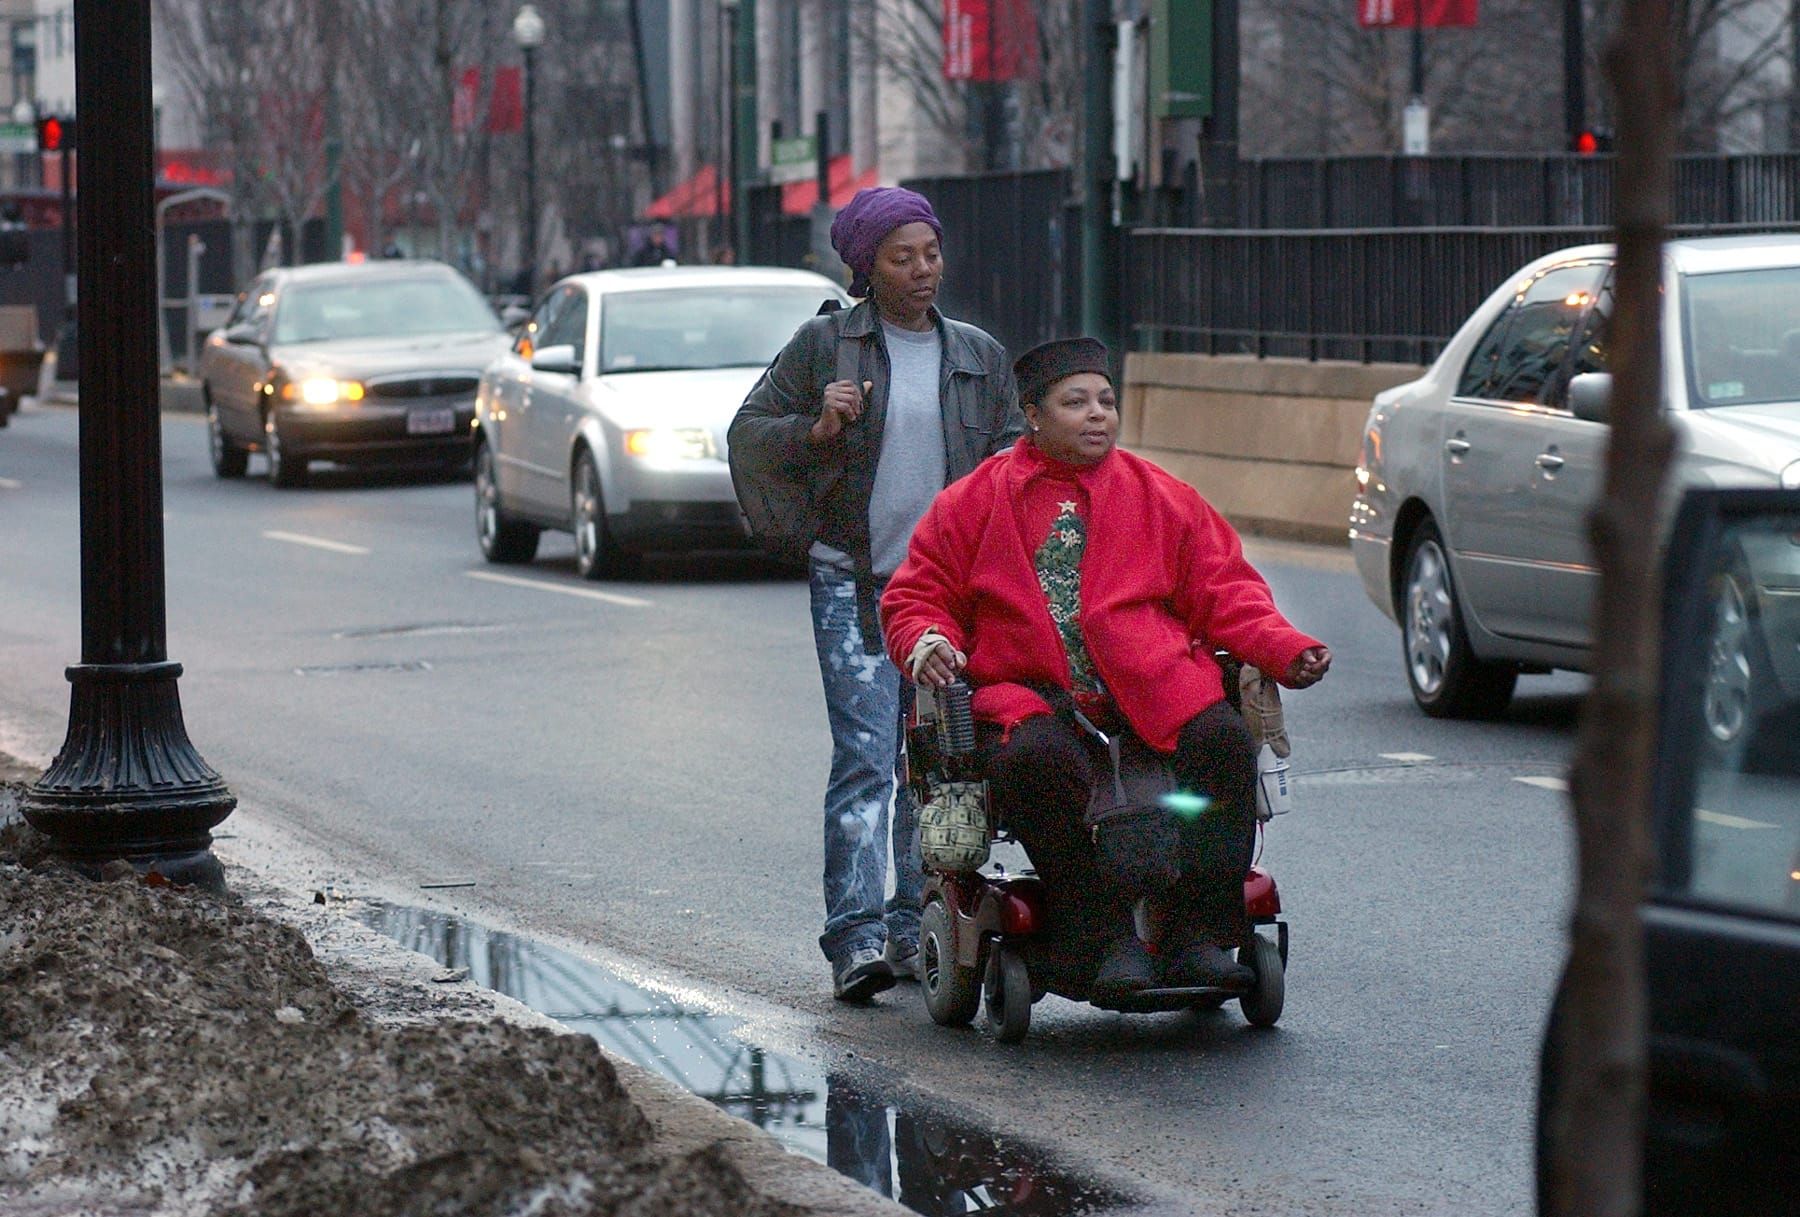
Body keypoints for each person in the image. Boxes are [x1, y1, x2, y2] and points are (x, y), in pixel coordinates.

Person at [880, 337, 1331, 1001]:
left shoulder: (1164, 497)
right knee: (1034, 765)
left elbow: (1226, 588)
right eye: (1076, 402)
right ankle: (1098, 934)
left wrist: (1285, 646)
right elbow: (916, 597)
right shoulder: (973, 503)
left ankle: (1198, 933)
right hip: (1032, 698)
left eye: (1107, 401)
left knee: (1223, 744)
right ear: (1032, 414)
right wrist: (927, 640)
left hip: (1153, 686)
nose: (1098, 415)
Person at [728, 187, 1022, 1002]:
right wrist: (815, 428)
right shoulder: (825, 347)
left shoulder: (978, 355)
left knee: (929, 757)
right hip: (853, 582)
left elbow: (1010, 464)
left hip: (944, 595)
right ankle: (855, 938)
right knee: (866, 760)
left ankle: (909, 924)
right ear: (866, 267)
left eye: (931, 252)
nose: (923, 269)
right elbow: (749, 437)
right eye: (903, 256)